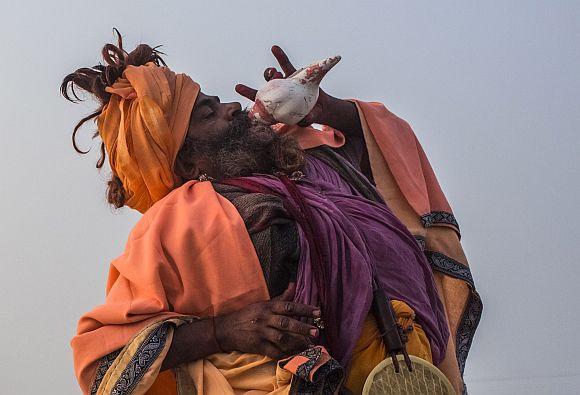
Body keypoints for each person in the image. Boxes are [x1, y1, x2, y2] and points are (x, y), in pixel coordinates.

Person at [63, 33, 481, 395]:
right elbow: (106, 359)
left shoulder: (315, 166)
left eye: (218, 101)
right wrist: (223, 330)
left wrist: (326, 111)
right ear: (187, 163)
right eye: (207, 113)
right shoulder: (175, 222)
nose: (231, 107)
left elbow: (393, 157)